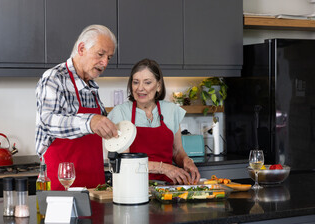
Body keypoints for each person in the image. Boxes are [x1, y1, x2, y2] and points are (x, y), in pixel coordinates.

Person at [35, 25, 118, 190]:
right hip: (61, 186)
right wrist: (90, 122)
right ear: (81, 48)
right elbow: (48, 121)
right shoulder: (54, 77)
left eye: (109, 57)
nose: (105, 62)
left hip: (95, 185)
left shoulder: (92, 86)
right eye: (100, 54)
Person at [108, 58, 201, 185]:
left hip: (167, 188)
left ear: (158, 86)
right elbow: (126, 161)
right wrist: (164, 168)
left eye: (147, 83)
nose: (140, 88)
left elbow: (177, 151)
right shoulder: (120, 113)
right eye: (135, 82)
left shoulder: (171, 110)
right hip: (133, 187)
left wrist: (186, 160)